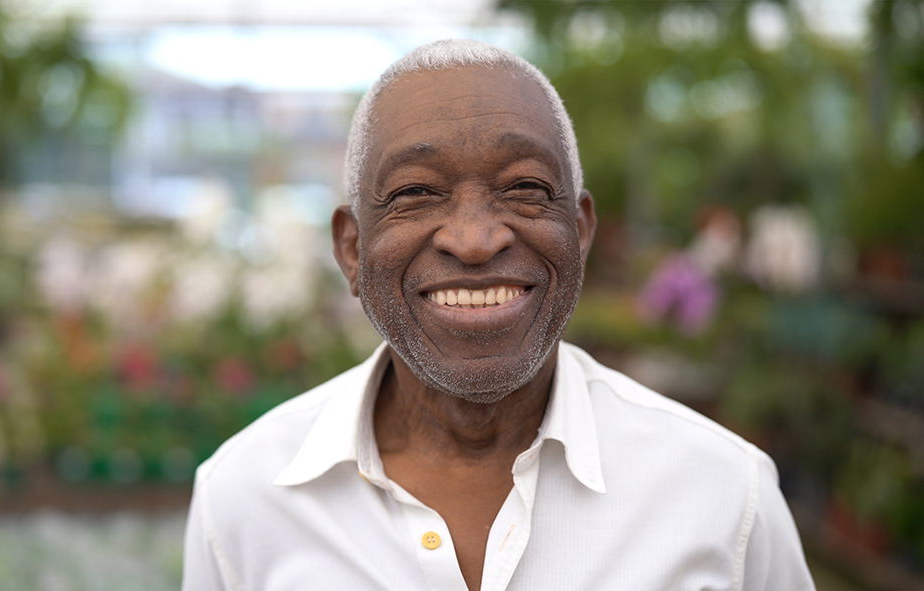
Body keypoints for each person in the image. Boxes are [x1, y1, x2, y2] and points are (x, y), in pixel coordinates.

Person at [182, 39, 816, 591]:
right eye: (416, 193)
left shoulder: (726, 496)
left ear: (581, 232)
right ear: (351, 249)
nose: (476, 239)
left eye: (525, 188)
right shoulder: (244, 498)